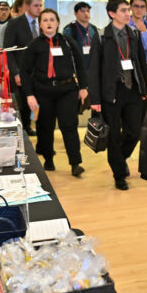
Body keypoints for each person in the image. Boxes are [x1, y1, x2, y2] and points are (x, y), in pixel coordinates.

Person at [88, 0, 147, 190]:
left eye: (127, 10)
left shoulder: (134, 34)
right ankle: (119, 174)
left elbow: (141, 62)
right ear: (112, 14)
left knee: (134, 131)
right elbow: (94, 69)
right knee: (113, 134)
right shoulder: (101, 36)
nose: (128, 14)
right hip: (111, 91)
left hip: (132, 90)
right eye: (123, 10)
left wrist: (145, 88)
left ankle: (119, 160)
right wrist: (95, 99)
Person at [20, 9, 88, 176]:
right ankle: (48, 158)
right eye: (45, 20)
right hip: (43, 91)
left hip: (67, 90)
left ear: (58, 23)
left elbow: (80, 65)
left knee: (69, 126)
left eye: (52, 19)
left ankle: (75, 163)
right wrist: (29, 94)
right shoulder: (34, 45)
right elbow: (25, 71)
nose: (49, 23)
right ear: (41, 24)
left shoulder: (68, 42)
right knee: (45, 127)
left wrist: (83, 87)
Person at [3, 0, 44, 136]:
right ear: (27, 6)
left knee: (40, 102)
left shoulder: (43, 22)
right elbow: (9, 50)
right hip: (22, 70)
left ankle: (37, 126)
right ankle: (25, 127)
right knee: (24, 103)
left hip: (41, 70)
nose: (39, 9)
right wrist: (15, 72)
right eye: (35, 6)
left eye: (40, 5)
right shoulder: (15, 23)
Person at [63, 1, 99, 70]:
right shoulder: (69, 30)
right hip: (77, 67)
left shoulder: (94, 29)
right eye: (82, 11)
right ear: (75, 14)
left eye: (88, 11)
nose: (86, 14)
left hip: (93, 67)